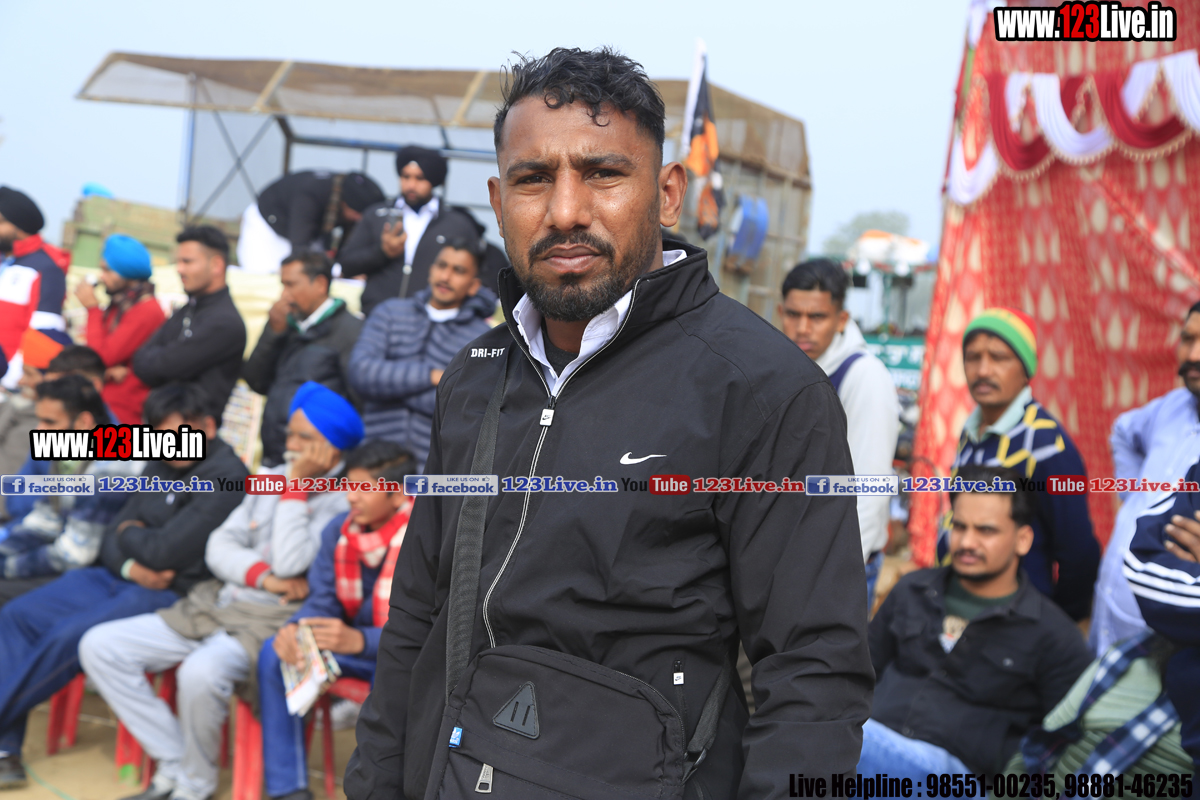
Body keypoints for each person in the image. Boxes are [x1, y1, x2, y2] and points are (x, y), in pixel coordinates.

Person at [345, 47, 873, 800]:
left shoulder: (763, 390)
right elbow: (417, 619)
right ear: (497, 200)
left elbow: (814, 672)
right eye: (533, 178)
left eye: (602, 173)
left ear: (667, 193)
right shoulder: (475, 377)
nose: (565, 211)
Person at [79, 382, 362, 800]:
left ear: (332, 448)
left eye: (305, 438)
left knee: (200, 673)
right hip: (217, 603)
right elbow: (218, 548)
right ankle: (177, 763)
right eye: (290, 434)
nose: (291, 445)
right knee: (101, 646)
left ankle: (193, 787)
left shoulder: (347, 498)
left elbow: (292, 562)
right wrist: (265, 578)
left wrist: (296, 490)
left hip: (271, 622)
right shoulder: (268, 478)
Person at [0, 383, 248, 790]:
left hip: (170, 594)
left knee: (68, 636)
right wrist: (133, 559)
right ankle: (5, 749)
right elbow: (111, 539)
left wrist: (132, 535)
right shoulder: (162, 460)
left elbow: (167, 552)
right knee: (17, 614)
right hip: (120, 575)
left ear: (206, 427)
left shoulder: (227, 476)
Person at [861, 465, 1093, 779]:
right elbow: (859, 675)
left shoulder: (1053, 636)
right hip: (869, 747)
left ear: (1023, 540)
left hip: (956, 778)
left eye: (986, 531)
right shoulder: (912, 591)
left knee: (839, 741)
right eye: (959, 526)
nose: (967, 542)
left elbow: (1067, 749)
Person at [258, 441, 416, 800]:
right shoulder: (339, 531)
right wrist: (296, 627)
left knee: (393, 674)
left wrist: (363, 641)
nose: (351, 497)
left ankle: (383, 788)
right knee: (275, 653)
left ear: (396, 494)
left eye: (364, 488)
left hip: (400, 654)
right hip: (351, 646)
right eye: (349, 485)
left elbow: (427, 627)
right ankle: (288, 789)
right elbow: (322, 600)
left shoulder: (422, 538)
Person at [949, 307, 1100, 622]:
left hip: (1017, 620)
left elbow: (1078, 553)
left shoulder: (1046, 445)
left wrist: (1059, 622)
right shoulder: (972, 430)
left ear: (1025, 369)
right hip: (965, 610)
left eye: (999, 358)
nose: (983, 370)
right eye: (973, 357)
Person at [779, 258, 900, 607]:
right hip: (792, 564)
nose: (803, 328)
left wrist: (834, 580)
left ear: (841, 319)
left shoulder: (864, 377)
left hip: (833, 574)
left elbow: (870, 490)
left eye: (817, 317)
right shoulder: (788, 367)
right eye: (793, 314)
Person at [1088, 300, 1200, 655]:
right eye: (1188, 339)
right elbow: (1122, 431)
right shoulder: (1173, 407)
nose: (1193, 355)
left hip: (1168, 646)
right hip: (1109, 619)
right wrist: (1135, 499)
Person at [347, 238, 496, 470]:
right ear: (430, 269)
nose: (445, 277)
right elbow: (361, 373)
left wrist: (388, 389)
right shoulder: (390, 312)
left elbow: (469, 407)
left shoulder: (482, 339)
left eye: (458, 271)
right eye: (441, 265)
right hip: (371, 459)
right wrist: (432, 376)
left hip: (433, 469)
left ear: (473, 285)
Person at [0, 376, 142, 606]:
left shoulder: (112, 467)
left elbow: (76, 554)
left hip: (102, 572)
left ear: (83, 422)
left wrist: (6, 567)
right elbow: (45, 521)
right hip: (69, 551)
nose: (39, 429)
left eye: (49, 422)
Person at [338, 145, 498, 316]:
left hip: (429, 322)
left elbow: (477, 277)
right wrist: (382, 252)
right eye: (405, 176)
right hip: (377, 317)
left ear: (434, 180)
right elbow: (346, 265)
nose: (411, 185)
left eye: (420, 178)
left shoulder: (457, 224)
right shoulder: (377, 215)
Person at [243, 251, 363, 467]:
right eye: (283, 285)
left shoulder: (350, 330)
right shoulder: (285, 323)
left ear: (320, 284)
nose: (285, 295)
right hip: (274, 455)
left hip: (317, 461)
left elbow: (358, 399)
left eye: (291, 285)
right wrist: (273, 333)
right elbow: (256, 381)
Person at [133, 227, 247, 423]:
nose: (179, 269)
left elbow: (163, 367)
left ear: (217, 265)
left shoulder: (225, 323)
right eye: (178, 262)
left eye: (187, 262)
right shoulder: (189, 309)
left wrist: (160, 359)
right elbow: (140, 359)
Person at [75, 233, 166, 425]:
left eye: (108, 270)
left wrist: (92, 309)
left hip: (121, 414)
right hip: (103, 405)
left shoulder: (146, 310)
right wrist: (107, 372)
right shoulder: (121, 305)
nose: (102, 276)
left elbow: (100, 357)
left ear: (127, 271)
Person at [237, 171, 384, 275]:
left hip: (304, 232)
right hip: (267, 225)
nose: (358, 221)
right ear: (346, 204)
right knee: (262, 275)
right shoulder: (310, 196)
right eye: (358, 216)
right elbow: (299, 249)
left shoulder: (339, 195)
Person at [0, 186, 71, 389]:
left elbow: (42, 333)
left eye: (1, 222)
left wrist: (10, 381)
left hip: (9, 385)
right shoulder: (8, 262)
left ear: (19, 227)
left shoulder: (46, 268)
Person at [0, 328, 73, 521]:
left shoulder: (55, 426)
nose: (21, 381)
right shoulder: (15, 405)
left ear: (52, 378)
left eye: (29, 374)